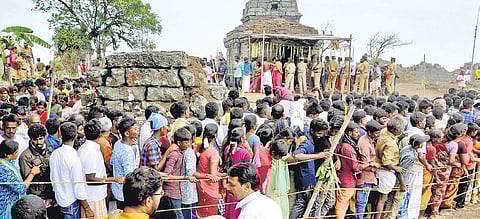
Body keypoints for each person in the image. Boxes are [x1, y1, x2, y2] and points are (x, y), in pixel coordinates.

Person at [49, 122, 94, 219]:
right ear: (76, 135)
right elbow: (78, 187)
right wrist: (87, 207)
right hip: (71, 202)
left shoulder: (54, 154)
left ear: (60, 133)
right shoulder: (74, 159)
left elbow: (52, 178)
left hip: (60, 199)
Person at [18, 124, 56, 215]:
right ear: (31, 139)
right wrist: (34, 172)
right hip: (36, 196)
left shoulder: (50, 150)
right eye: (35, 139)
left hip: (51, 195)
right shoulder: (25, 156)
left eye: (41, 138)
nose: (38, 142)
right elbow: (27, 180)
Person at [375, 115, 407, 219]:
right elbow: (386, 161)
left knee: (380, 197)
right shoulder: (391, 144)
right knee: (382, 198)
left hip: (380, 168)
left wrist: (400, 137)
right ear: (396, 130)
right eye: (401, 130)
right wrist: (396, 168)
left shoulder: (384, 132)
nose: (402, 131)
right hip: (386, 171)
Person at [0, 140, 41, 219]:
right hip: (6, 206)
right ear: (8, 155)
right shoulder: (3, 169)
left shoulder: (8, 162)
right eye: (16, 152)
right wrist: (32, 173)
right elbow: (21, 188)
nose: (18, 153)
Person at [355, 120, 382, 219]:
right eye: (376, 133)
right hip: (365, 177)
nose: (378, 134)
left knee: (364, 202)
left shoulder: (370, 140)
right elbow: (364, 164)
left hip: (370, 176)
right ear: (370, 132)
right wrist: (374, 164)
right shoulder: (364, 143)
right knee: (361, 203)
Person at [335, 122, 362, 219]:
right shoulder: (348, 148)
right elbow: (355, 166)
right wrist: (368, 165)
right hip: (347, 180)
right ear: (350, 133)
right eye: (356, 132)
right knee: (342, 203)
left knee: (344, 202)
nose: (358, 134)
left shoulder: (342, 144)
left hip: (344, 178)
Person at [112, 118, 139, 209]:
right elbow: (129, 175)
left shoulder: (118, 143)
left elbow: (112, 162)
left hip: (118, 190)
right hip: (125, 192)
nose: (137, 130)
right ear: (127, 133)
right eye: (135, 129)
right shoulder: (127, 151)